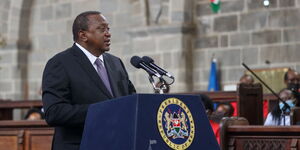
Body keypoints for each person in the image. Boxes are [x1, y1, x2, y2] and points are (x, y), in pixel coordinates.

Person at [42, 11, 136, 150]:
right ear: (83, 35)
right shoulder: (60, 63)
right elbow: (54, 112)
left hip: (116, 143)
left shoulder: (116, 63)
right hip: (80, 145)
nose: (108, 33)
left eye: (108, 29)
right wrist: (101, 111)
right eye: (101, 29)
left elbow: (130, 99)